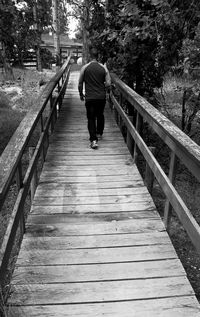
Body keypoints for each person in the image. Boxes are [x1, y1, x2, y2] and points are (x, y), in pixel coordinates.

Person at [78, 47, 111, 149]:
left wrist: (80, 94)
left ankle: (93, 140)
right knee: (100, 114)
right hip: (101, 97)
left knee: (91, 118)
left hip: (90, 98)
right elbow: (108, 83)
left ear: (89, 56)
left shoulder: (84, 68)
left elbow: (80, 83)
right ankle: (99, 132)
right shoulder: (104, 68)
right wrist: (107, 92)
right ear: (98, 57)